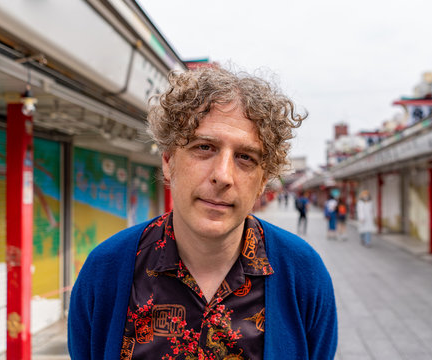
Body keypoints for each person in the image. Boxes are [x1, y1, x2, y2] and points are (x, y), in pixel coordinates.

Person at [68, 67, 338, 359]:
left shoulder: (302, 274)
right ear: (169, 161)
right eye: (204, 147)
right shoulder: (106, 269)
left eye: (245, 157)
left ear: (262, 181)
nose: (223, 175)